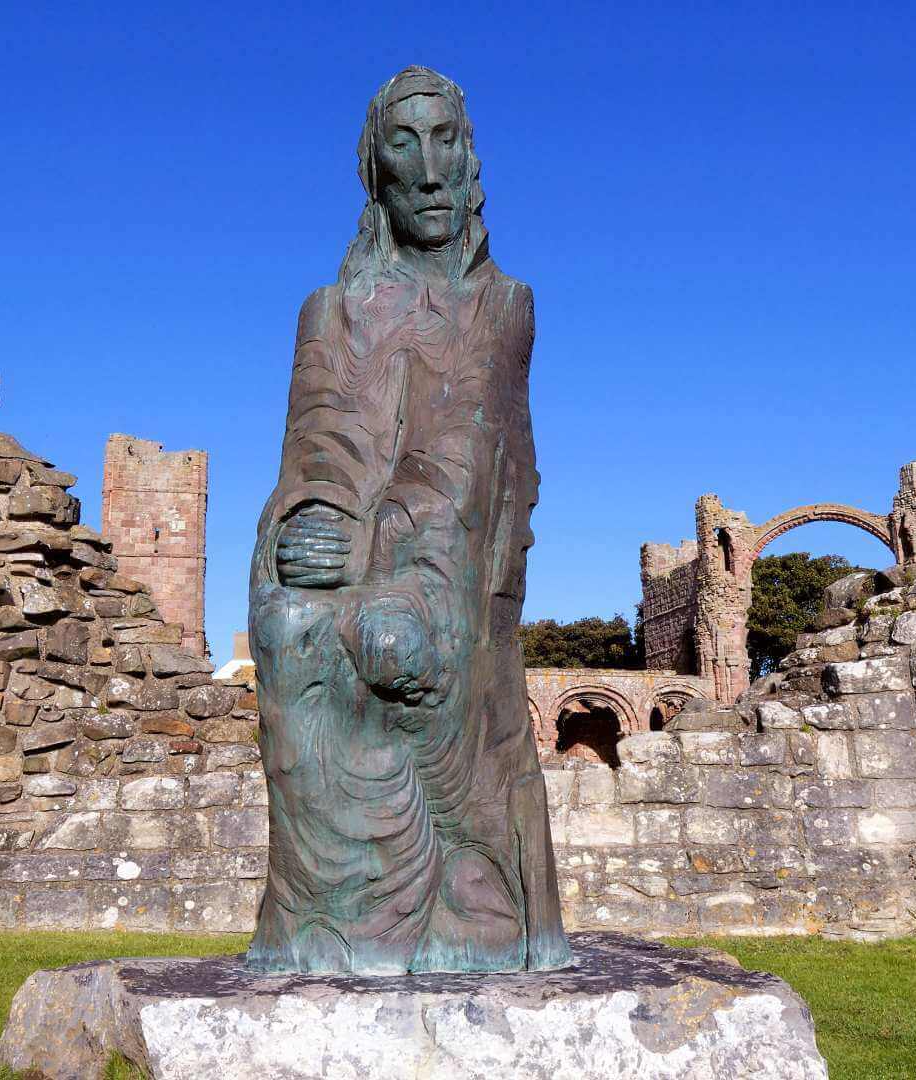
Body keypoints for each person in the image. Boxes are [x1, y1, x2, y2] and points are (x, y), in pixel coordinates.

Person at [245, 66, 570, 975]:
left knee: (406, 640)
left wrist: (406, 578)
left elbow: (463, 446)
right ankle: (327, 928)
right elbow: (321, 434)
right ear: (375, 172)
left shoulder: (505, 308)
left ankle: (482, 920)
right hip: (361, 543)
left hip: (451, 557)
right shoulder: (330, 311)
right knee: (293, 621)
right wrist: (313, 517)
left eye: (446, 142)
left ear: (470, 162)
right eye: (404, 144)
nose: (429, 169)